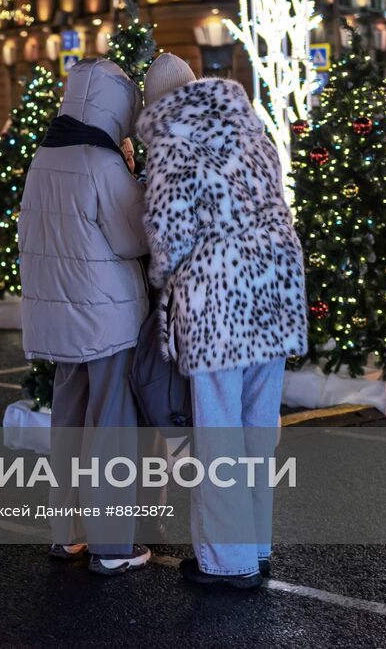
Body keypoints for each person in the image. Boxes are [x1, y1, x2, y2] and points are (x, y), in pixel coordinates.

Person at [136, 52, 308, 590]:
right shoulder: (249, 128)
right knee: (259, 429)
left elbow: (166, 231)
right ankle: (255, 546)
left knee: (217, 434)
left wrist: (166, 277)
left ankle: (227, 561)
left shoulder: (172, 141)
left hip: (217, 301)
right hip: (275, 288)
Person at [17, 57, 152, 575]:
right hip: (106, 318)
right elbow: (132, 237)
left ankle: (66, 533)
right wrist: (135, 179)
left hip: (57, 318)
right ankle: (113, 545)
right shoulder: (101, 162)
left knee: (68, 425)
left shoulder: (44, 156)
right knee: (111, 430)